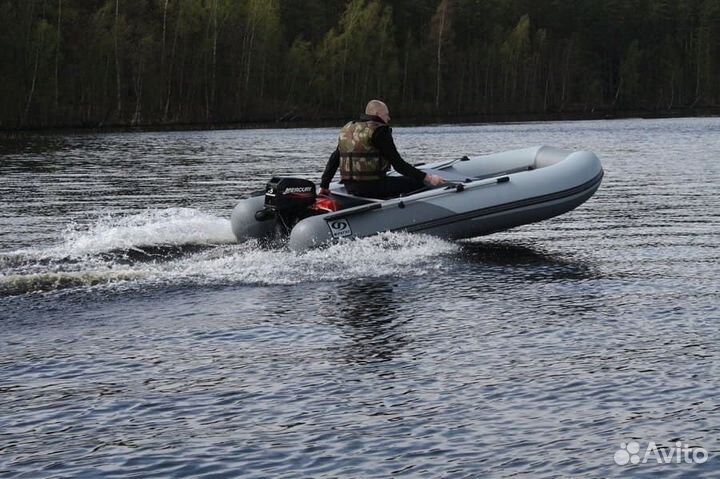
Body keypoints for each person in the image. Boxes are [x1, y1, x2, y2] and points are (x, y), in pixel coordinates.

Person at [319, 100, 445, 199]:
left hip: (350, 187)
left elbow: (334, 159)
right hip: (374, 187)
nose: (388, 118)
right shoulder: (379, 131)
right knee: (418, 183)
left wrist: (324, 185)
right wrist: (428, 178)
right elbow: (399, 165)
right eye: (386, 115)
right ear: (378, 114)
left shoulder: (348, 129)